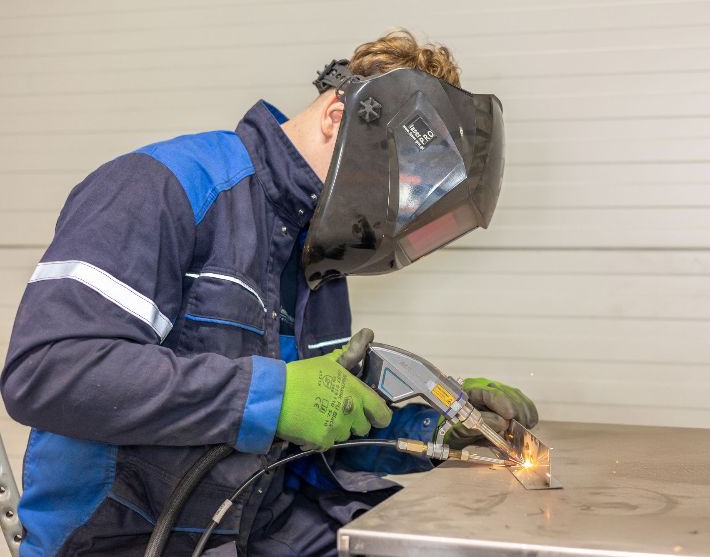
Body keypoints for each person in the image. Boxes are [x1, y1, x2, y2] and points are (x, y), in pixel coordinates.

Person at [1, 30, 537, 556]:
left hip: (261, 531)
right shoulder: (165, 185)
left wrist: (437, 426)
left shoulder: (317, 259)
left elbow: (309, 437)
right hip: (126, 539)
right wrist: (271, 397)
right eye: (393, 195)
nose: (385, 223)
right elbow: (50, 371)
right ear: (338, 117)